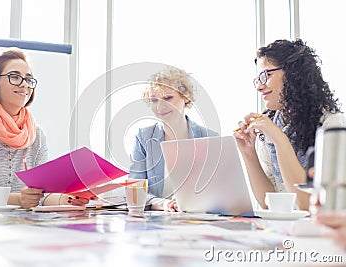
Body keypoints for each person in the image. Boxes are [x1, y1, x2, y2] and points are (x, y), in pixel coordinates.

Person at [0, 48, 88, 209]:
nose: (24, 84)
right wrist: (19, 199)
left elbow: (43, 194)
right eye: (14, 77)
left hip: (20, 223)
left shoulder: (36, 134)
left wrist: (69, 199)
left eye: (29, 79)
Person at [234, 39, 346, 211]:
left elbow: (309, 205)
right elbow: (267, 203)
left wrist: (280, 139)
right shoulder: (268, 131)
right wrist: (249, 153)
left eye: (267, 75)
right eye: (258, 79)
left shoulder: (331, 126)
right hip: (285, 229)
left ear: (293, 75)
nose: (259, 86)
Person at [129, 66, 218, 211]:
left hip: (197, 219)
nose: (160, 106)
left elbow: (219, 191)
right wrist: (163, 204)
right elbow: (135, 189)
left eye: (168, 98)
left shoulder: (210, 138)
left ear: (185, 97)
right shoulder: (143, 138)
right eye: (154, 100)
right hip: (157, 220)